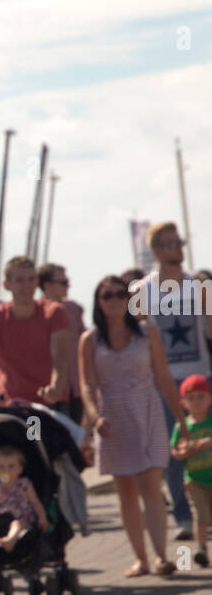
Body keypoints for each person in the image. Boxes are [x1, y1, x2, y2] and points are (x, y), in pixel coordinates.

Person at [79, 274, 187, 578]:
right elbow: (87, 385)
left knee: (151, 486)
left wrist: (182, 420)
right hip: (112, 415)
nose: (114, 300)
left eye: (119, 294)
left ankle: (162, 555)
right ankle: (140, 558)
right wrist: (94, 419)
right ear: (98, 302)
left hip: (147, 410)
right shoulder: (90, 340)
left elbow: (164, 377)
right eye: (106, 295)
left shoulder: (146, 332)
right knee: (126, 491)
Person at [133, 223, 212, 540]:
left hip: (200, 376)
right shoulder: (144, 290)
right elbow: (137, 338)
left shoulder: (198, 284)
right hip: (164, 382)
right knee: (175, 450)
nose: (177, 248)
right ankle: (183, 516)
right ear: (156, 250)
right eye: (169, 243)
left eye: (179, 242)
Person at [0, 255, 69, 407]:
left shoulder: (54, 312)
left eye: (31, 279)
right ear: (7, 285)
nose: (26, 285)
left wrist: (55, 387)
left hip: (49, 403)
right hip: (13, 404)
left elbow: (60, 358)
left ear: (37, 281)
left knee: (62, 430)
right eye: (19, 280)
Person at [0, 444, 47, 553]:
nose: (6, 471)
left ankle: (10, 540)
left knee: (16, 525)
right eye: (1, 467)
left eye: (11, 466)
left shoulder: (24, 484)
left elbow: (35, 502)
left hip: (20, 519)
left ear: (20, 469)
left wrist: (42, 516)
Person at [170, 374, 212, 567]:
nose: (196, 402)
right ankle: (200, 550)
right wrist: (183, 451)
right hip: (194, 479)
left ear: (209, 399)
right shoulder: (182, 426)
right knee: (201, 515)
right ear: (183, 403)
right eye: (191, 398)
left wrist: (204, 443)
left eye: (201, 396)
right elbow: (175, 451)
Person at [38, 262, 85, 426]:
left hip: (77, 386)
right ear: (47, 285)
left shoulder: (74, 309)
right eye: (63, 282)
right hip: (51, 389)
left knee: (78, 436)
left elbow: (84, 344)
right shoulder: (36, 313)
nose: (68, 285)